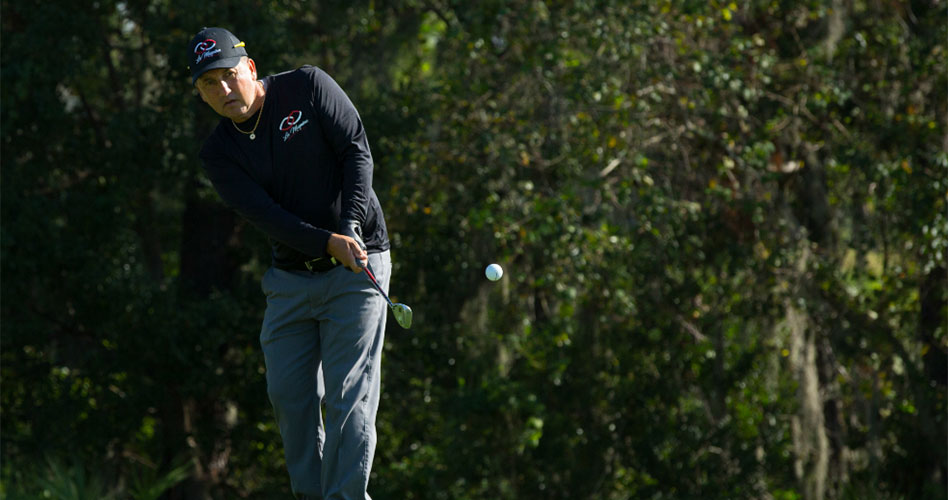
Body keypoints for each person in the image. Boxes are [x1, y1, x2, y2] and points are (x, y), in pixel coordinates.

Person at [187, 27, 391, 500]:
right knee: (290, 398)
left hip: (357, 270)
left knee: (349, 399)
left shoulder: (308, 86)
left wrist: (351, 227)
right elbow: (268, 217)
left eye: (228, 76)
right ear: (200, 94)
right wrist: (325, 242)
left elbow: (356, 152)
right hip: (291, 280)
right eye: (208, 85)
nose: (222, 90)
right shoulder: (219, 153)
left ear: (250, 69)